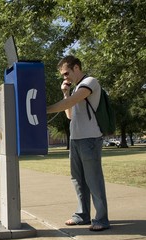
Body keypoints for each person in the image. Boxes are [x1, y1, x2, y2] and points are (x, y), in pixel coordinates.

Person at [47, 55, 110, 231]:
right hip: (76, 139)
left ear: (76, 68)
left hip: (90, 139)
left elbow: (72, 102)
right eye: (63, 75)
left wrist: (43, 110)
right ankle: (82, 215)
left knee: (93, 180)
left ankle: (102, 219)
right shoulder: (74, 91)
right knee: (78, 180)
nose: (65, 78)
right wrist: (65, 92)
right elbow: (69, 115)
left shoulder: (90, 82)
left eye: (66, 73)